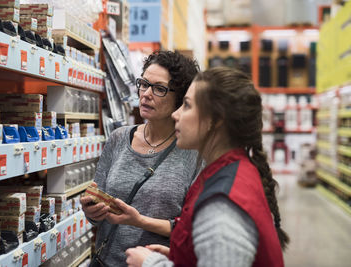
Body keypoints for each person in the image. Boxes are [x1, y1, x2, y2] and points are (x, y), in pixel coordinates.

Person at [125, 67, 290, 267]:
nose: (176, 115)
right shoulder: (229, 170)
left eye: (187, 105)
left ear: (215, 120)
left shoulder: (222, 205)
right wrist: (180, 256)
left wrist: (151, 263)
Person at [80, 50, 200, 267]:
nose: (146, 94)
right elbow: (96, 213)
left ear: (180, 97)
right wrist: (92, 211)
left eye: (159, 89)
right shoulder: (118, 139)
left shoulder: (192, 153)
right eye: (144, 84)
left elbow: (192, 228)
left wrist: (139, 221)